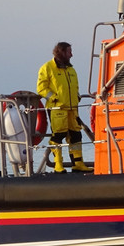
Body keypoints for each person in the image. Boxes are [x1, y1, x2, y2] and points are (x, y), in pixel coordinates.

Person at [37, 41, 87, 173]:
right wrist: (54, 98)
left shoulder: (71, 70)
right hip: (57, 109)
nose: (71, 55)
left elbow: (75, 88)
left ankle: (78, 164)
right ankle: (58, 164)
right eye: (69, 51)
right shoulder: (47, 68)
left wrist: (77, 97)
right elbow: (41, 88)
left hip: (72, 109)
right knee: (58, 135)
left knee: (76, 135)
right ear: (61, 52)